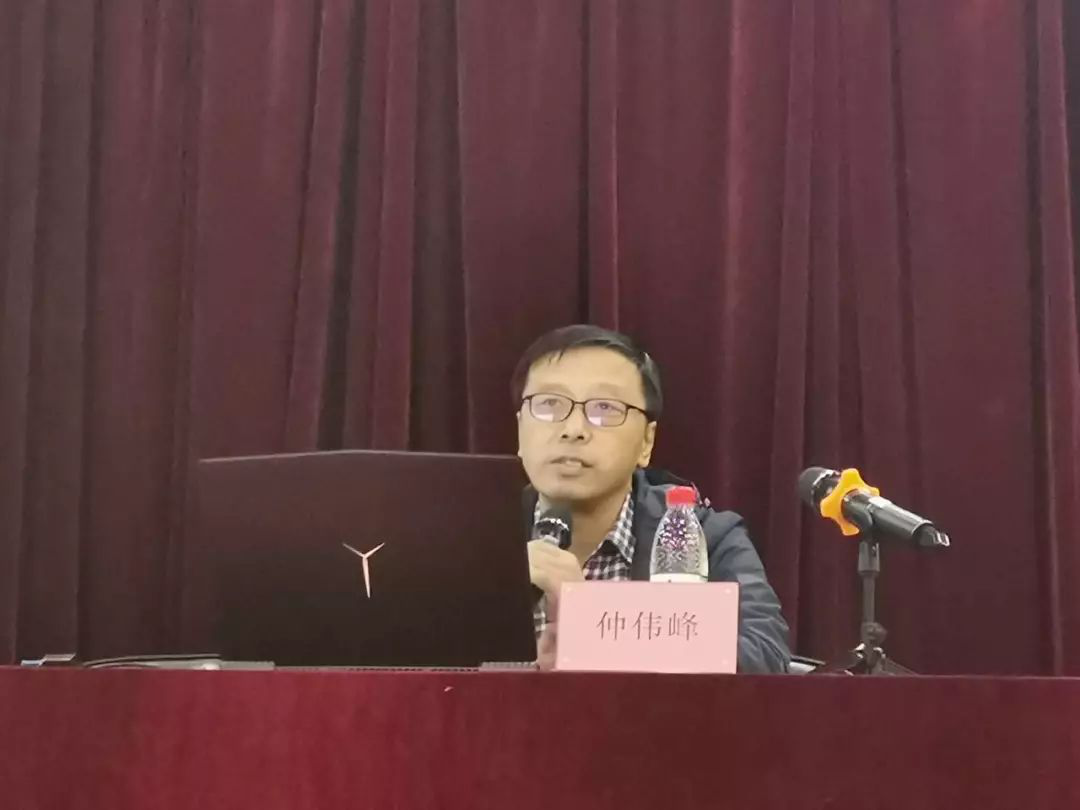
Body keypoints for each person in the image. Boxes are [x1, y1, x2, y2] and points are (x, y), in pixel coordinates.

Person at [513, 325, 791, 673]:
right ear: (520, 429)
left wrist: (591, 621)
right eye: (549, 404)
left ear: (647, 441)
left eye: (604, 408)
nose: (573, 429)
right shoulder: (471, 535)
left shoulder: (703, 537)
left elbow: (767, 657)